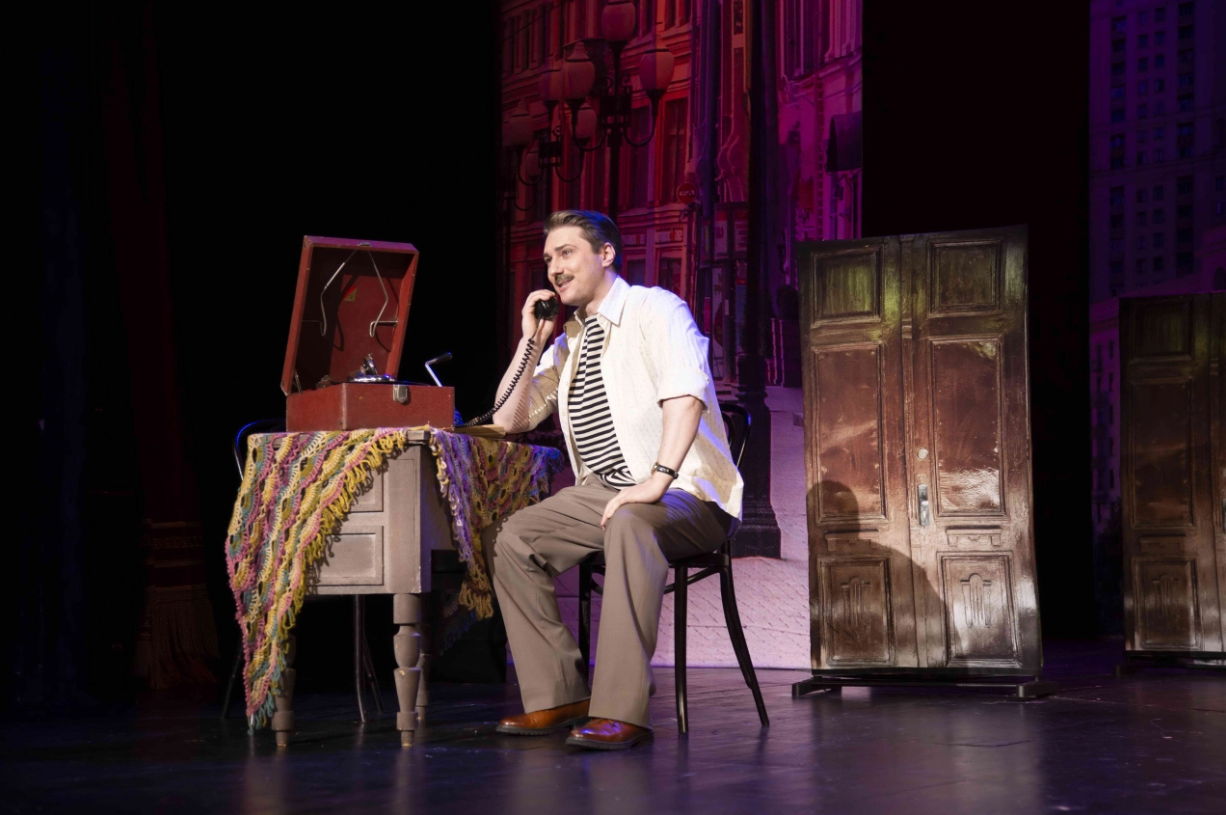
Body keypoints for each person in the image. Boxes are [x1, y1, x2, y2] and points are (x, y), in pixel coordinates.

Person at [484, 210, 744, 750]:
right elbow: (508, 420)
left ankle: (621, 709)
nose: (555, 268)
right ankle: (559, 693)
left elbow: (686, 393)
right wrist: (531, 341)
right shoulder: (567, 343)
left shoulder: (656, 309)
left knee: (630, 521)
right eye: (549, 259)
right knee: (511, 538)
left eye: (567, 253)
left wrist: (658, 478)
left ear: (605, 254)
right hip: (607, 494)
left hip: (688, 492)